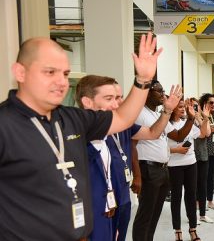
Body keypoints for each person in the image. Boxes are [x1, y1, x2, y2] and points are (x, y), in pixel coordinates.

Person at [0, 33, 162, 240]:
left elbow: (122, 118)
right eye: (50, 72)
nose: (61, 82)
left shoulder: (73, 119)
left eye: (65, 74)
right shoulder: (5, 125)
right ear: (20, 72)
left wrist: (143, 80)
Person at [74, 76, 182, 241]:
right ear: (88, 102)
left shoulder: (122, 124)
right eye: (110, 98)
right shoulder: (79, 132)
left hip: (121, 196)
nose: (118, 103)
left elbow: (152, 133)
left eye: (120, 97)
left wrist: (167, 111)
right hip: (97, 203)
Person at [132, 81, 196, 241]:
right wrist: (137, 176)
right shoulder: (140, 113)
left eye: (163, 90)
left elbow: (178, 135)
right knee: (145, 216)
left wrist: (191, 119)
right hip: (147, 169)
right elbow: (131, 145)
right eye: (158, 91)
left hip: (162, 170)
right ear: (146, 93)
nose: (162, 94)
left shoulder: (158, 115)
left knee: (154, 215)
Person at [168, 99, 210, 241]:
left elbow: (204, 134)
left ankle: (193, 230)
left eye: (183, 107)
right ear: (172, 109)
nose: (182, 109)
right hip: (174, 166)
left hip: (191, 163)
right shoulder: (167, 124)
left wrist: (205, 118)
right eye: (179, 107)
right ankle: (177, 231)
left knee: (191, 196)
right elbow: (163, 146)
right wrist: (176, 150)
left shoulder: (188, 122)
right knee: (176, 197)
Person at [192, 97, 214, 224]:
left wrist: (202, 118)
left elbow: (207, 133)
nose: (195, 108)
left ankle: (202, 214)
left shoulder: (204, 117)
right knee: (192, 186)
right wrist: (194, 117)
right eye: (193, 106)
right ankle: (193, 214)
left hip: (203, 155)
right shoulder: (187, 119)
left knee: (202, 184)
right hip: (191, 156)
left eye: (197, 106)